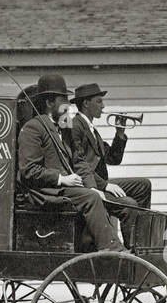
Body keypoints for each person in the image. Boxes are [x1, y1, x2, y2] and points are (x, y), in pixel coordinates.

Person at [16, 74, 125, 252]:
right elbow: (28, 170)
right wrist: (61, 179)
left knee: (96, 195)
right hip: (45, 191)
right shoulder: (33, 128)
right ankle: (112, 249)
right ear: (49, 103)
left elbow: (78, 161)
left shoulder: (63, 127)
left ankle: (106, 245)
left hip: (65, 188)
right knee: (91, 198)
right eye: (63, 99)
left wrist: (93, 186)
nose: (68, 103)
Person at [65, 83, 153, 247]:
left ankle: (142, 235)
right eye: (99, 101)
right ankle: (134, 248)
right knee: (129, 205)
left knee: (143, 185)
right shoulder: (76, 126)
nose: (103, 106)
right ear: (86, 103)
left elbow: (113, 158)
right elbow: (79, 164)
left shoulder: (91, 129)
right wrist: (104, 185)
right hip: (89, 186)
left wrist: (119, 134)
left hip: (100, 182)